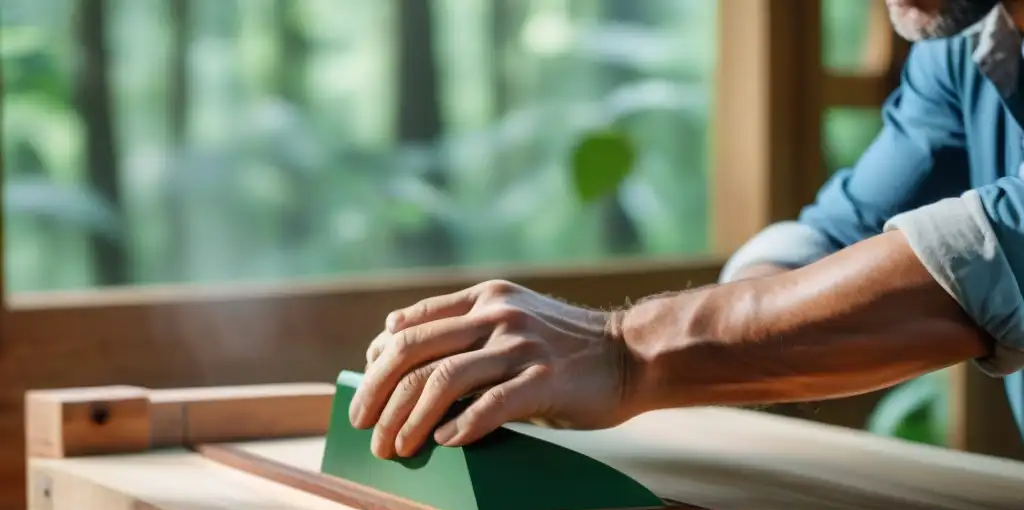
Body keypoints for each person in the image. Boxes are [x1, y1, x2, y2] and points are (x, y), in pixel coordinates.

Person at [349, 0, 1024, 461]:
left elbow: (975, 268)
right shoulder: (967, 47)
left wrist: (624, 352)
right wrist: (744, 334)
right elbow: (836, 237)